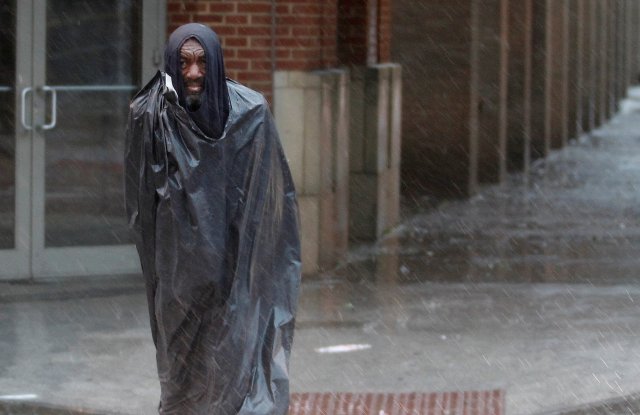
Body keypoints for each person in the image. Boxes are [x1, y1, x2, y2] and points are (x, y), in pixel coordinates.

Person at [124, 23, 301, 414]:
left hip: (236, 277)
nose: (193, 72)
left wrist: (252, 277)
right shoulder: (148, 116)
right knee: (183, 384)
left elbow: (272, 207)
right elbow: (141, 211)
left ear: (216, 62)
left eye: (202, 61)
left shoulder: (250, 115)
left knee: (236, 377)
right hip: (178, 282)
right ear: (171, 63)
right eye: (184, 62)